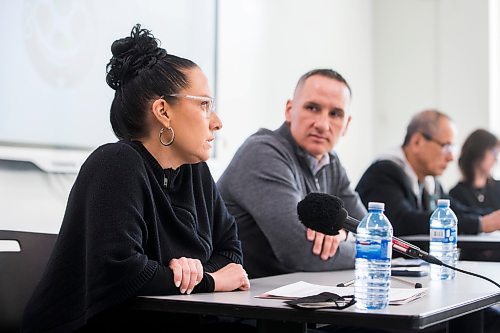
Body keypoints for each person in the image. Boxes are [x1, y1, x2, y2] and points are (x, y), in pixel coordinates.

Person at [22, 24, 250, 332]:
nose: (217, 122)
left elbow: (231, 254)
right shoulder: (116, 163)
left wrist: (191, 273)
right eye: (204, 105)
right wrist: (207, 280)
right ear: (163, 111)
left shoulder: (195, 170)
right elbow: (121, 271)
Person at [217, 69, 366, 279]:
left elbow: (374, 230)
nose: (323, 125)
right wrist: (370, 250)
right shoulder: (262, 153)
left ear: (346, 124)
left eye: (335, 114)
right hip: (241, 303)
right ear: (289, 110)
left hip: (290, 297)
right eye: (312, 108)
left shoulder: (330, 162)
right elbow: (302, 253)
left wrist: (342, 235)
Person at [356, 109, 500, 237]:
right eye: (446, 146)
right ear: (417, 142)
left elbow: (457, 211)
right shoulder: (384, 172)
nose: (450, 157)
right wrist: (480, 224)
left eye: (452, 149)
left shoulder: (430, 182)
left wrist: (490, 218)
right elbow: (403, 221)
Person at [450, 129, 500, 214]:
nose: (496, 159)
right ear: (478, 152)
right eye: (493, 152)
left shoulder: (498, 187)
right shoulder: (456, 193)